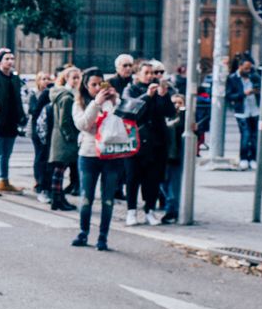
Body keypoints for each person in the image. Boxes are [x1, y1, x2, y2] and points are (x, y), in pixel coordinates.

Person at [74, 68, 124, 251]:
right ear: (86, 86)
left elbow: (123, 122)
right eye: (93, 85)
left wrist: (115, 101)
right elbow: (82, 124)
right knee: (86, 198)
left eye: (99, 84)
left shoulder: (112, 102)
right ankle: (83, 233)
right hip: (88, 154)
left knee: (108, 199)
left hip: (111, 155)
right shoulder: (80, 102)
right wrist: (96, 104)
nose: (97, 88)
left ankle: (103, 237)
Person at [122, 61, 175, 226]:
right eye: (146, 72)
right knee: (133, 177)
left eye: (153, 73)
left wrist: (164, 96)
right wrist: (147, 96)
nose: (151, 76)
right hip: (136, 141)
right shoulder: (131, 89)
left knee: (153, 178)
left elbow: (170, 112)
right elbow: (129, 110)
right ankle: (131, 211)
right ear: (138, 74)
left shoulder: (159, 90)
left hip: (156, 142)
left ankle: (149, 210)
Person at [0, 50, 26, 194]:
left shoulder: (15, 78)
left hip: (11, 120)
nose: (10, 61)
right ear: (0, 61)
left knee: (6, 154)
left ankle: (4, 181)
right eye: (7, 58)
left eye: (12, 58)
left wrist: (21, 116)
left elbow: (18, 99)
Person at [46, 67, 80, 213]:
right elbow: (64, 120)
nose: (77, 80)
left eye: (79, 77)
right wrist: (70, 137)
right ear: (67, 78)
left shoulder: (63, 93)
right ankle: (57, 199)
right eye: (74, 78)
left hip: (59, 136)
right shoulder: (67, 97)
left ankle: (58, 198)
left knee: (60, 169)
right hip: (64, 138)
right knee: (60, 169)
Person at [226, 58, 261, 167]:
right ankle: (244, 158)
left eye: (249, 68)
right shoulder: (233, 78)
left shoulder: (254, 76)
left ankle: (253, 158)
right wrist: (244, 94)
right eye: (246, 68)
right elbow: (229, 95)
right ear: (240, 67)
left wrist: (257, 91)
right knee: (246, 135)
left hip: (254, 110)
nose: (248, 71)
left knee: (254, 135)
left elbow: (260, 86)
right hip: (242, 111)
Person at [27, 71, 54, 203]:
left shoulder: (52, 92)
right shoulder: (35, 94)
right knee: (40, 156)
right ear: (38, 81)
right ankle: (39, 181)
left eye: (48, 78)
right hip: (37, 129)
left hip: (49, 129)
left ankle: (45, 182)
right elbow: (33, 110)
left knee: (46, 156)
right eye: (43, 79)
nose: (46, 81)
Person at [162, 92, 187, 224]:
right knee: (163, 184)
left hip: (175, 156)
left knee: (173, 186)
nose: (176, 105)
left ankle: (171, 210)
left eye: (180, 103)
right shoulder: (165, 117)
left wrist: (183, 112)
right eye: (174, 103)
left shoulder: (184, 119)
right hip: (163, 156)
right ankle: (171, 208)